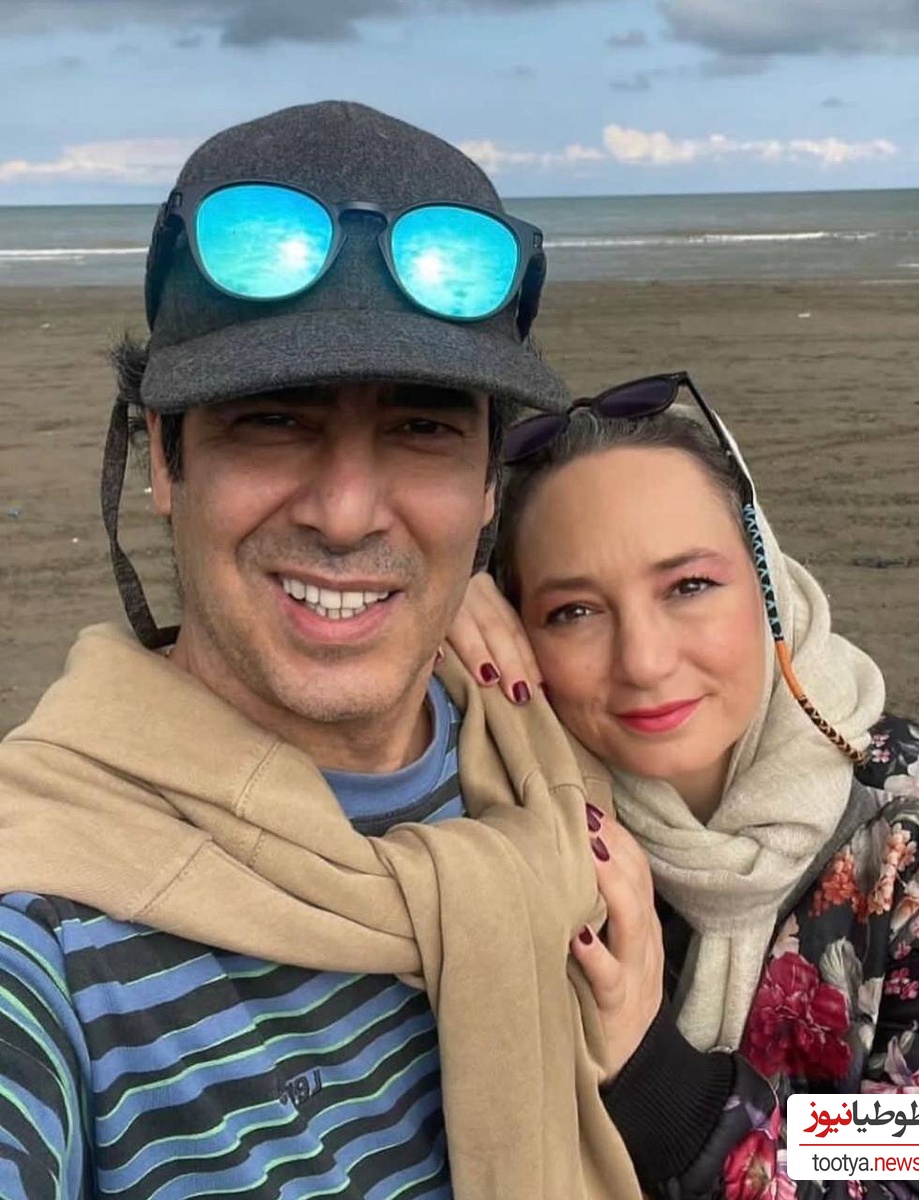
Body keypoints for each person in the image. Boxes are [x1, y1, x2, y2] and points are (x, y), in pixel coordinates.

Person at [0, 102, 645, 1200]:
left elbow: (904, 1142)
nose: (347, 514)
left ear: (489, 484)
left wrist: (667, 1085)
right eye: (272, 419)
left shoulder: (550, 735)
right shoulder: (49, 921)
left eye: (423, 426)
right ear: (163, 458)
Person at [446, 372, 919, 1200]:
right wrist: (427, 607)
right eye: (573, 612)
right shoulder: (503, 793)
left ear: (769, 582)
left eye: (689, 587)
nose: (645, 661)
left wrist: (664, 1087)